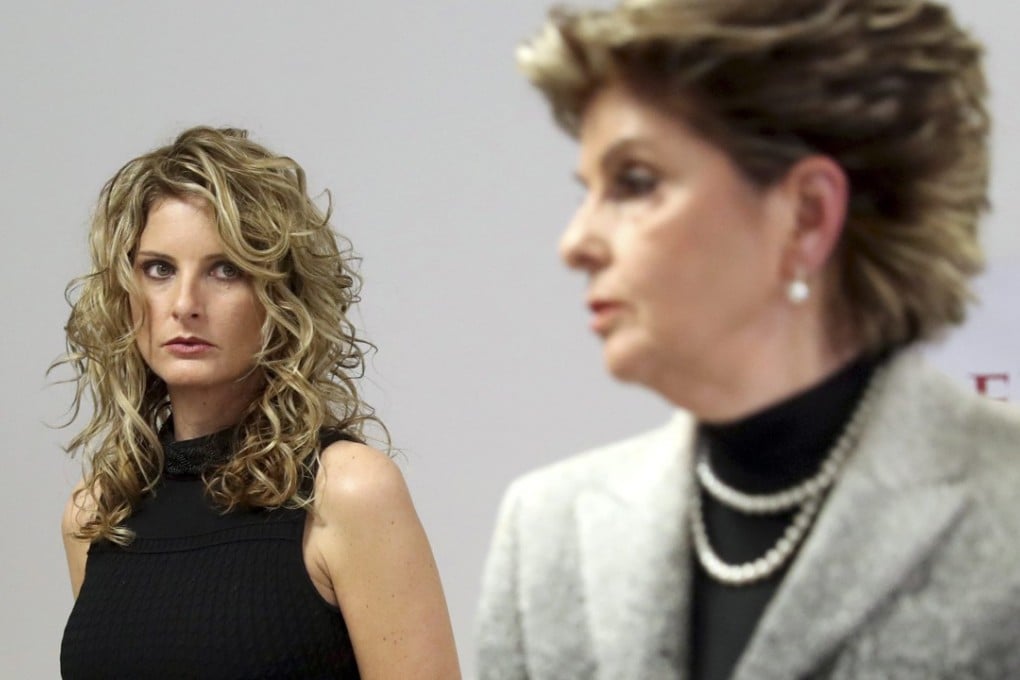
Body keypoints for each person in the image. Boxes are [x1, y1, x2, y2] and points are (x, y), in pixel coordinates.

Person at [476, 1, 1020, 678]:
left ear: (808, 214)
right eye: (587, 190)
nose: (575, 243)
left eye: (635, 182)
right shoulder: (546, 532)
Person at [57, 126, 460, 679]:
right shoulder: (98, 513)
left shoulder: (346, 492)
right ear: (126, 293)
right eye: (159, 269)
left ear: (280, 296)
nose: (184, 304)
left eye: (226, 269)